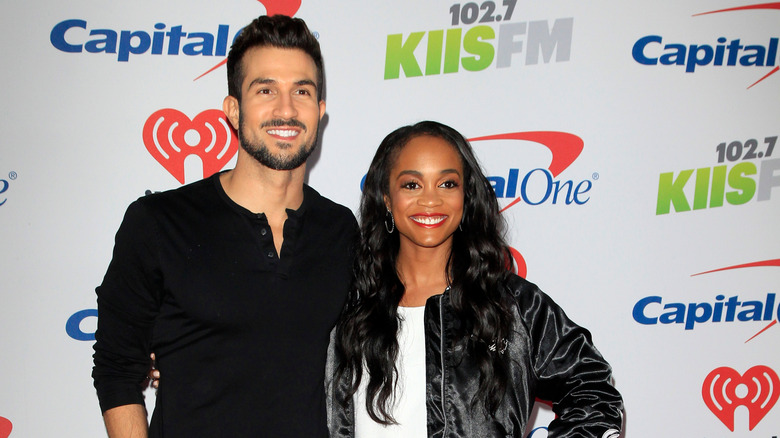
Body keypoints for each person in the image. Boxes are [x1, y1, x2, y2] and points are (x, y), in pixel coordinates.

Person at [92, 15, 357, 438]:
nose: (286, 109)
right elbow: (117, 369)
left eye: (301, 92)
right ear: (233, 109)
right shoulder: (159, 223)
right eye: (265, 89)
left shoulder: (341, 230)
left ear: (320, 112)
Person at [327, 121, 623, 437]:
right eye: (412, 184)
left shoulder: (512, 305)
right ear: (386, 197)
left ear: (466, 196)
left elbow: (593, 392)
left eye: (447, 184)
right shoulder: (342, 303)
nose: (430, 200)